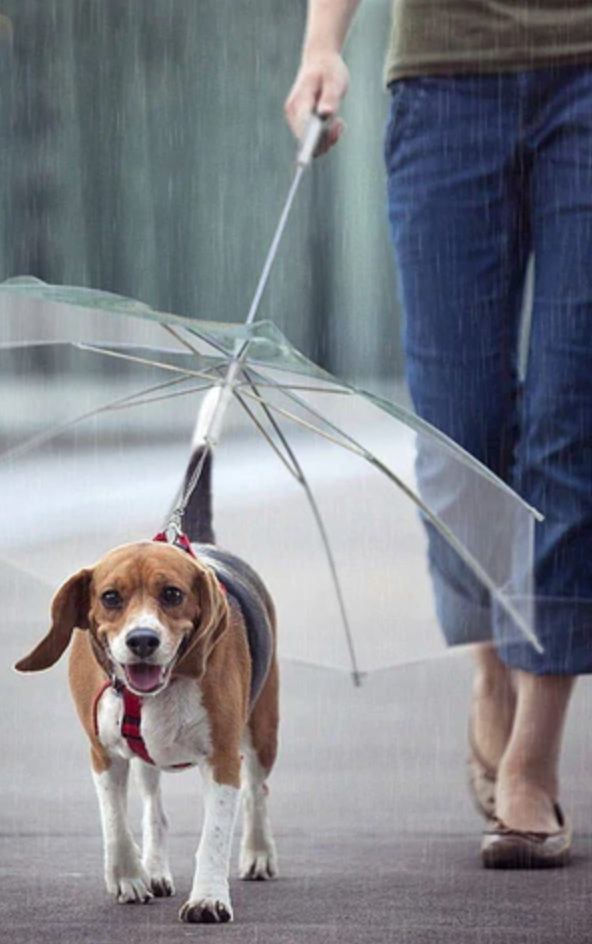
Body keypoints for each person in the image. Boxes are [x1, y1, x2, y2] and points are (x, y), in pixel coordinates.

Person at [286, 0, 592, 868]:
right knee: (460, 428)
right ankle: (493, 656)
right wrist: (322, 47)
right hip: (445, 80)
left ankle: (534, 752)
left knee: (573, 421)